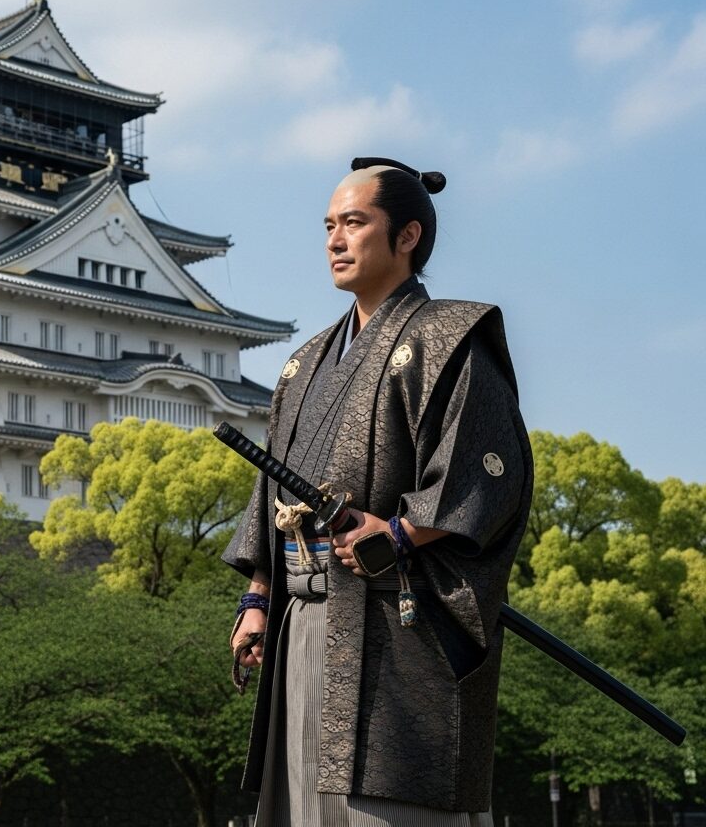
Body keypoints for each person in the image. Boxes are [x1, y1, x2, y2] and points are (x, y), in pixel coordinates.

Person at [222, 157, 533, 826]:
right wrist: (257, 596)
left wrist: (395, 532)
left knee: (386, 802)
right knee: (301, 805)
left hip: (396, 622)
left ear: (408, 236)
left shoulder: (448, 338)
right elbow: (269, 493)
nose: (334, 239)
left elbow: (486, 469)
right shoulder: (305, 363)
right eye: (329, 225)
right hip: (300, 624)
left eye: (354, 222)